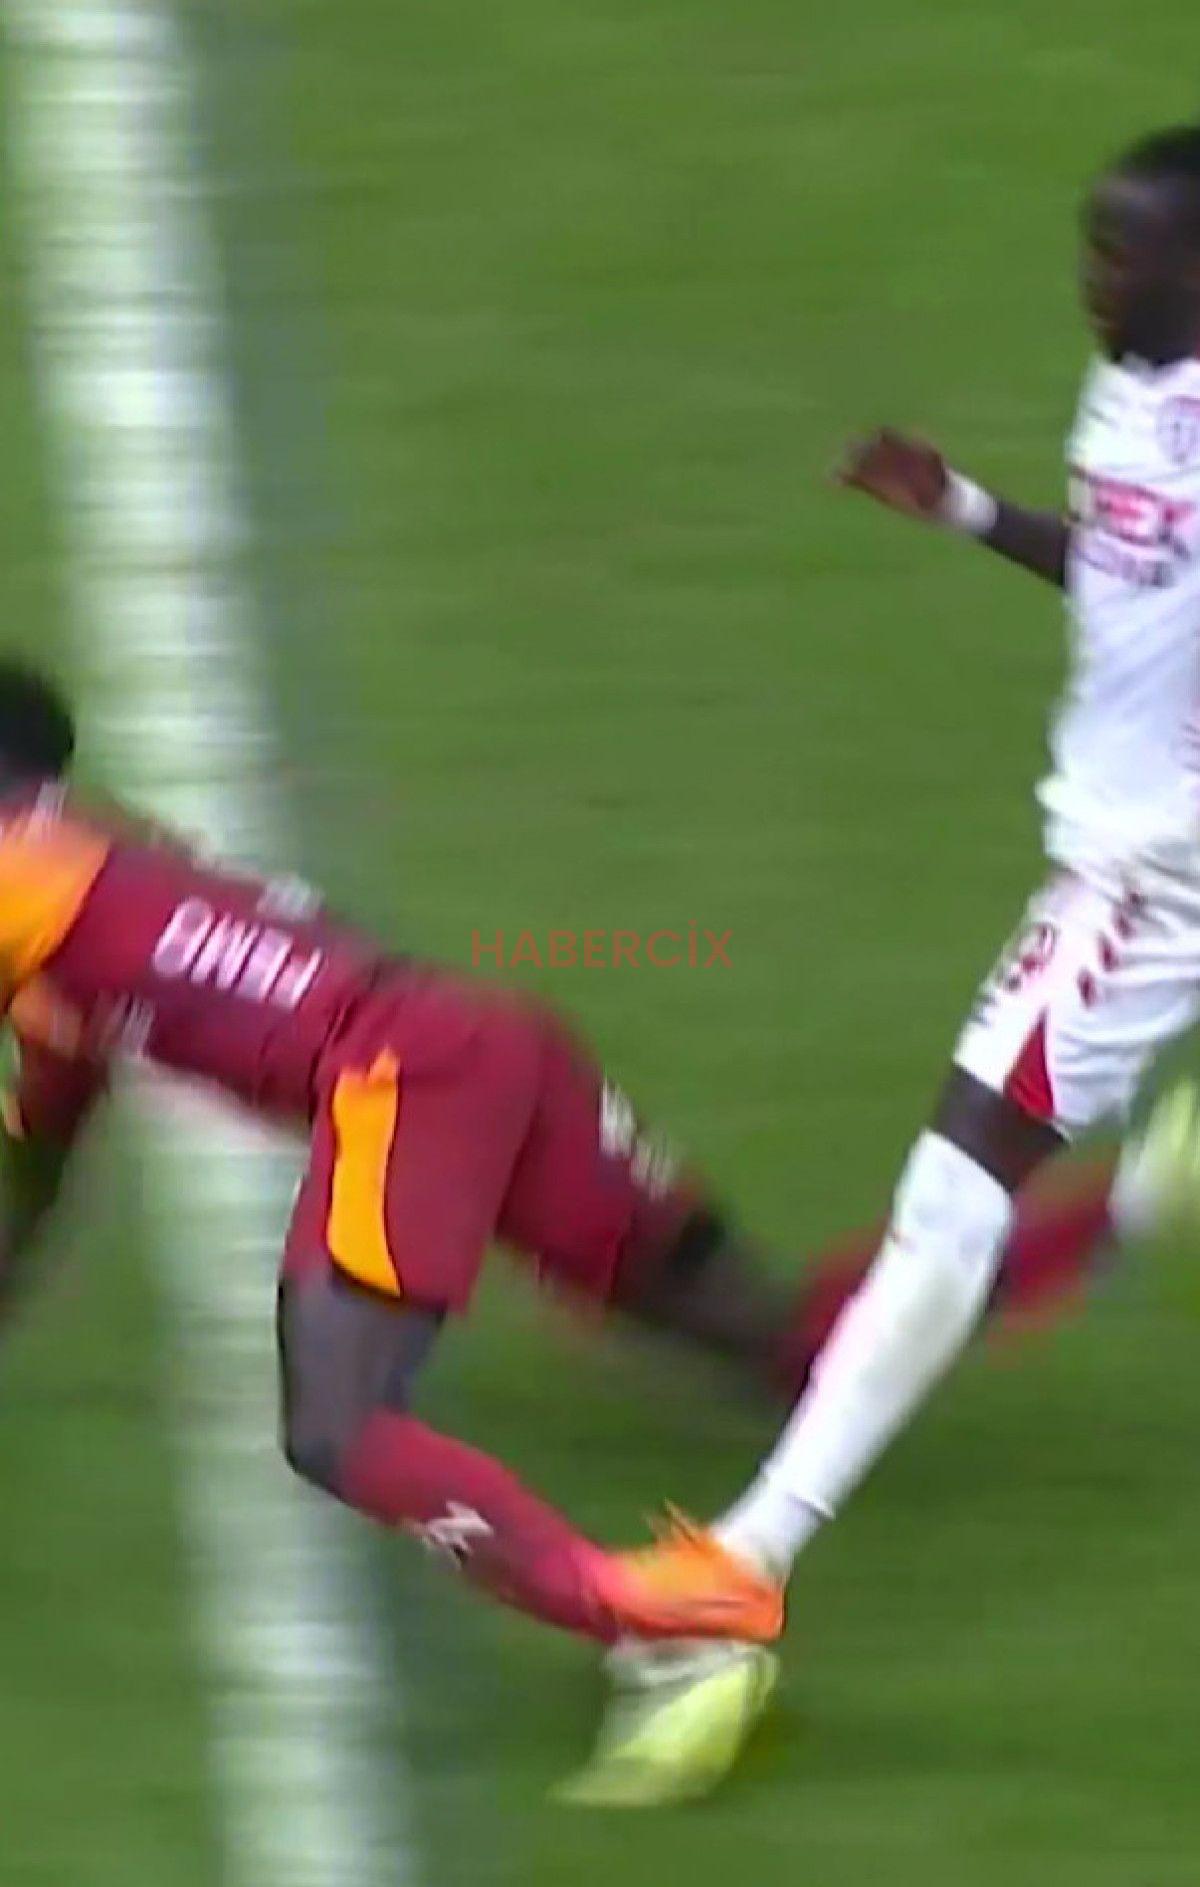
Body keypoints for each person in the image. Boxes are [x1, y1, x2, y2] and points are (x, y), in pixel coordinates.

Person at [0, 661, 1161, 1802]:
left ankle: (666, 1624)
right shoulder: (80, 908)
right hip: (490, 1045)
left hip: (399, 1076)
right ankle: (1146, 1190)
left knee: (337, 1424)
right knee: (781, 1345)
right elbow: (41, 1152)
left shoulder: (28, 878)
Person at [591, 121, 1200, 1805]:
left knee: (950, 1202)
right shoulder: (1131, 394)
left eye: (1124, 249)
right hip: (1146, 861)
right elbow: (1135, 584)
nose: (1092, 275)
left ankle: (742, 1564)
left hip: (1146, 887)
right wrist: (966, 509)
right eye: (1093, 243)